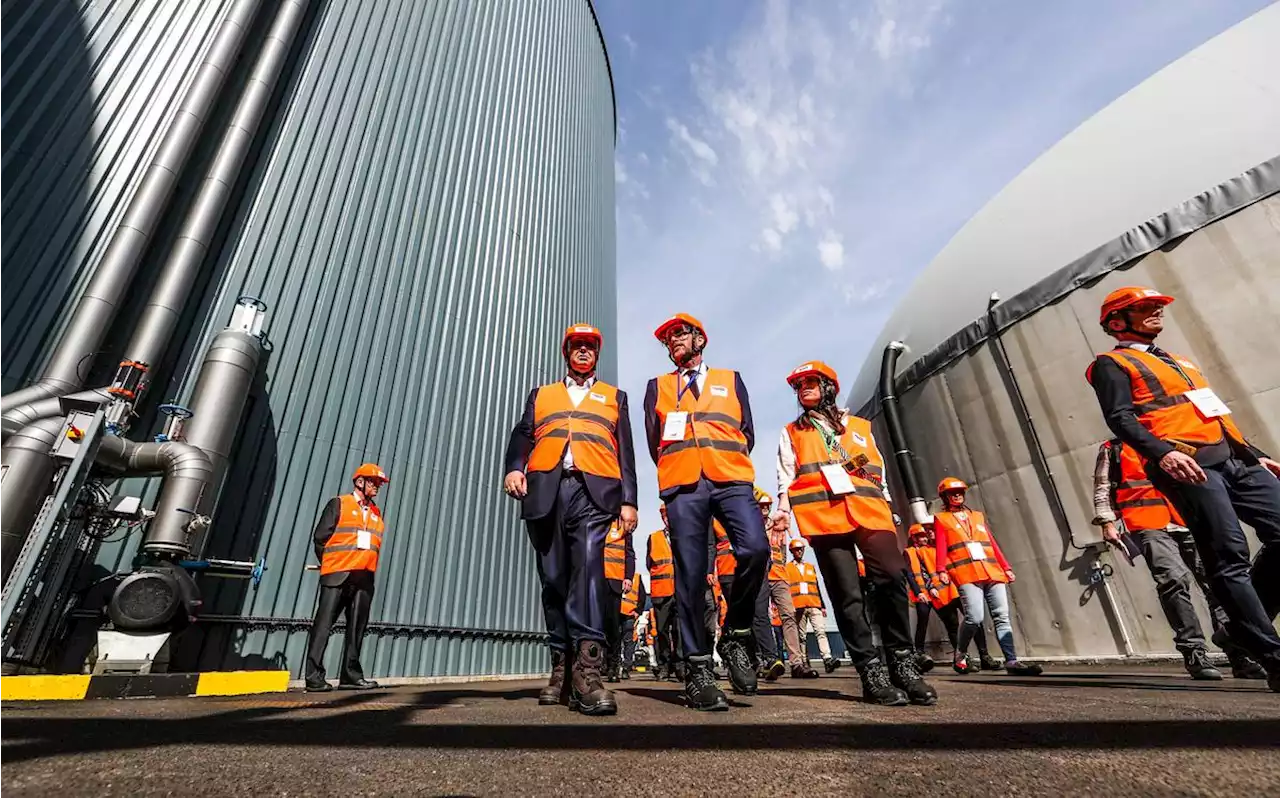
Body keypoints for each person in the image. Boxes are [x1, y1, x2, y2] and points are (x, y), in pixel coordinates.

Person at [1086, 286, 1280, 691]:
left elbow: (1212, 414)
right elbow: (1120, 417)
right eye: (1145, 307)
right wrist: (1161, 454)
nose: (1157, 311)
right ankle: (1271, 654)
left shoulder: (1181, 362)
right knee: (1229, 555)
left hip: (1235, 459)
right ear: (1118, 321)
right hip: (1188, 465)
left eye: (1158, 306)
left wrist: (1253, 454)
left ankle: (1240, 629)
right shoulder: (1111, 364)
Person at [776, 361, 937, 706]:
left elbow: (876, 466)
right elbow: (786, 476)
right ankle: (871, 673)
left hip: (871, 512)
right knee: (847, 596)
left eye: (810, 382)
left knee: (892, 577)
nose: (802, 387)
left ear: (829, 386)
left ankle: (902, 663)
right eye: (798, 384)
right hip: (823, 516)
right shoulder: (793, 431)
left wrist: (891, 508)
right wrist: (781, 515)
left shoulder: (861, 426)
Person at [503, 323, 639, 716]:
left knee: (590, 571)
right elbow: (522, 435)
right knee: (554, 578)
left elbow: (625, 452)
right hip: (547, 490)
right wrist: (515, 468)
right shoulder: (542, 394)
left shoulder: (615, 397)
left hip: (595, 493)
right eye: (577, 346)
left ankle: (588, 669)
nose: (583, 352)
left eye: (589, 347)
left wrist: (629, 501)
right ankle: (560, 668)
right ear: (567, 353)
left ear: (597, 354)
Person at [643, 313, 770, 711]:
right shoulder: (658, 387)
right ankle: (697, 668)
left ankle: (736, 631)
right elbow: (654, 440)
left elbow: (746, 430)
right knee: (691, 574)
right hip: (683, 486)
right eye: (667, 339)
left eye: (679, 334)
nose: (672, 341)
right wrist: (679, 472)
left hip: (730, 479)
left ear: (700, 338)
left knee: (755, 549)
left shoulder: (731, 379)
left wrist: (720, 459)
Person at [1094, 438, 1266, 680]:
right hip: (1146, 521)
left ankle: (1239, 653)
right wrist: (1106, 522)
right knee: (1173, 579)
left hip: (1187, 517)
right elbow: (1103, 486)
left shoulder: (1173, 439)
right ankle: (1194, 651)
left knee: (1217, 582)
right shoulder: (1114, 449)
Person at [933, 478, 1043, 676]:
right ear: (945, 496)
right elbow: (941, 546)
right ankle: (961, 654)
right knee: (974, 617)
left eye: (960, 492)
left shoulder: (977, 516)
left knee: (1001, 616)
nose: (957, 495)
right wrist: (941, 569)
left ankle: (1011, 661)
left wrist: (1006, 566)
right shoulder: (942, 519)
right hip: (966, 573)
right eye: (952, 492)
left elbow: (991, 543)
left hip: (992, 571)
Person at [305, 463, 390, 692]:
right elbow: (320, 538)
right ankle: (314, 677)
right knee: (323, 625)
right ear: (360, 481)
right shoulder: (339, 503)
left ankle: (351, 676)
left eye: (380, 483)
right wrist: (331, 564)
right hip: (337, 575)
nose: (378, 487)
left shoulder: (375, 512)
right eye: (374, 482)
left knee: (357, 629)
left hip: (364, 578)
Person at [904, 523, 996, 673]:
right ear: (914, 538)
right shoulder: (916, 552)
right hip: (938, 593)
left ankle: (983, 655)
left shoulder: (940, 548)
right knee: (948, 624)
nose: (925, 537)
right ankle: (958, 658)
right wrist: (927, 588)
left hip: (955, 589)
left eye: (926, 534)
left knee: (974, 619)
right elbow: (919, 572)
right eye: (921, 535)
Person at [763, 509, 816, 678]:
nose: (765, 509)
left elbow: (783, 554)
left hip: (779, 577)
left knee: (789, 616)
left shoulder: (780, 530)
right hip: (761, 577)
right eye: (761, 505)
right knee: (759, 618)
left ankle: (797, 664)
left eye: (768, 506)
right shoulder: (755, 525)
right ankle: (764, 661)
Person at [786, 538, 841, 674]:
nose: (799, 551)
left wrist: (822, 605)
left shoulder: (810, 567)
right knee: (801, 636)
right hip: (798, 606)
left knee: (820, 631)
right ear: (792, 551)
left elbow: (816, 585)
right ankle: (804, 663)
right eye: (797, 549)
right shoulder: (788, 568)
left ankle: (827, 659)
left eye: (801, 549)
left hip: (814, 603)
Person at [647, 511, 680, 681]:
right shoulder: (654, 538)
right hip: (661, 592)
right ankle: (664, 665)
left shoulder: (683, 537)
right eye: (666, 516)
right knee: (661, 631)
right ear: (663, 518)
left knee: (679, 630)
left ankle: (680, 665)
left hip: (680, 592)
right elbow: (649, 564)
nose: (669, 519)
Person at [603, 519, 637, 682]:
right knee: (594, 624)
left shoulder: (622, 525)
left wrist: (628, 577)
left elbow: (629, 554)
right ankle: (596, 664)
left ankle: (613, 666)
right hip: (595, 579)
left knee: (612, 626)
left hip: (614, 581)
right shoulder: (595, 519)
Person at [619, 576, 645, 679]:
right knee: (617, 641)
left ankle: (625, 667)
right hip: (617, 613)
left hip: (629, 614)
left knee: (627, 642)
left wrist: (638, 611)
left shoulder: (637, 578)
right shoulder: (616, 573)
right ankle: (615, 667)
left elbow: (642, 597)